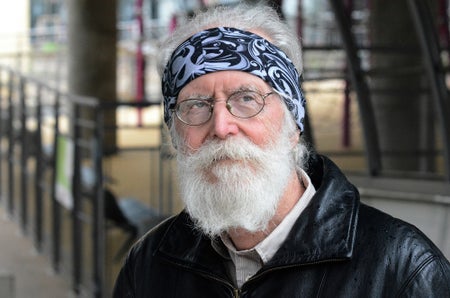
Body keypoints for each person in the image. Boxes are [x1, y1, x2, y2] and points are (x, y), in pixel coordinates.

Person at [113, 3, 450, 297]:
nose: (221, 126)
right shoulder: (151, 262)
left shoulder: (402, 267)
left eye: (246, 99)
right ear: (174, 133)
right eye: (197, 105)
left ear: (294, 123)